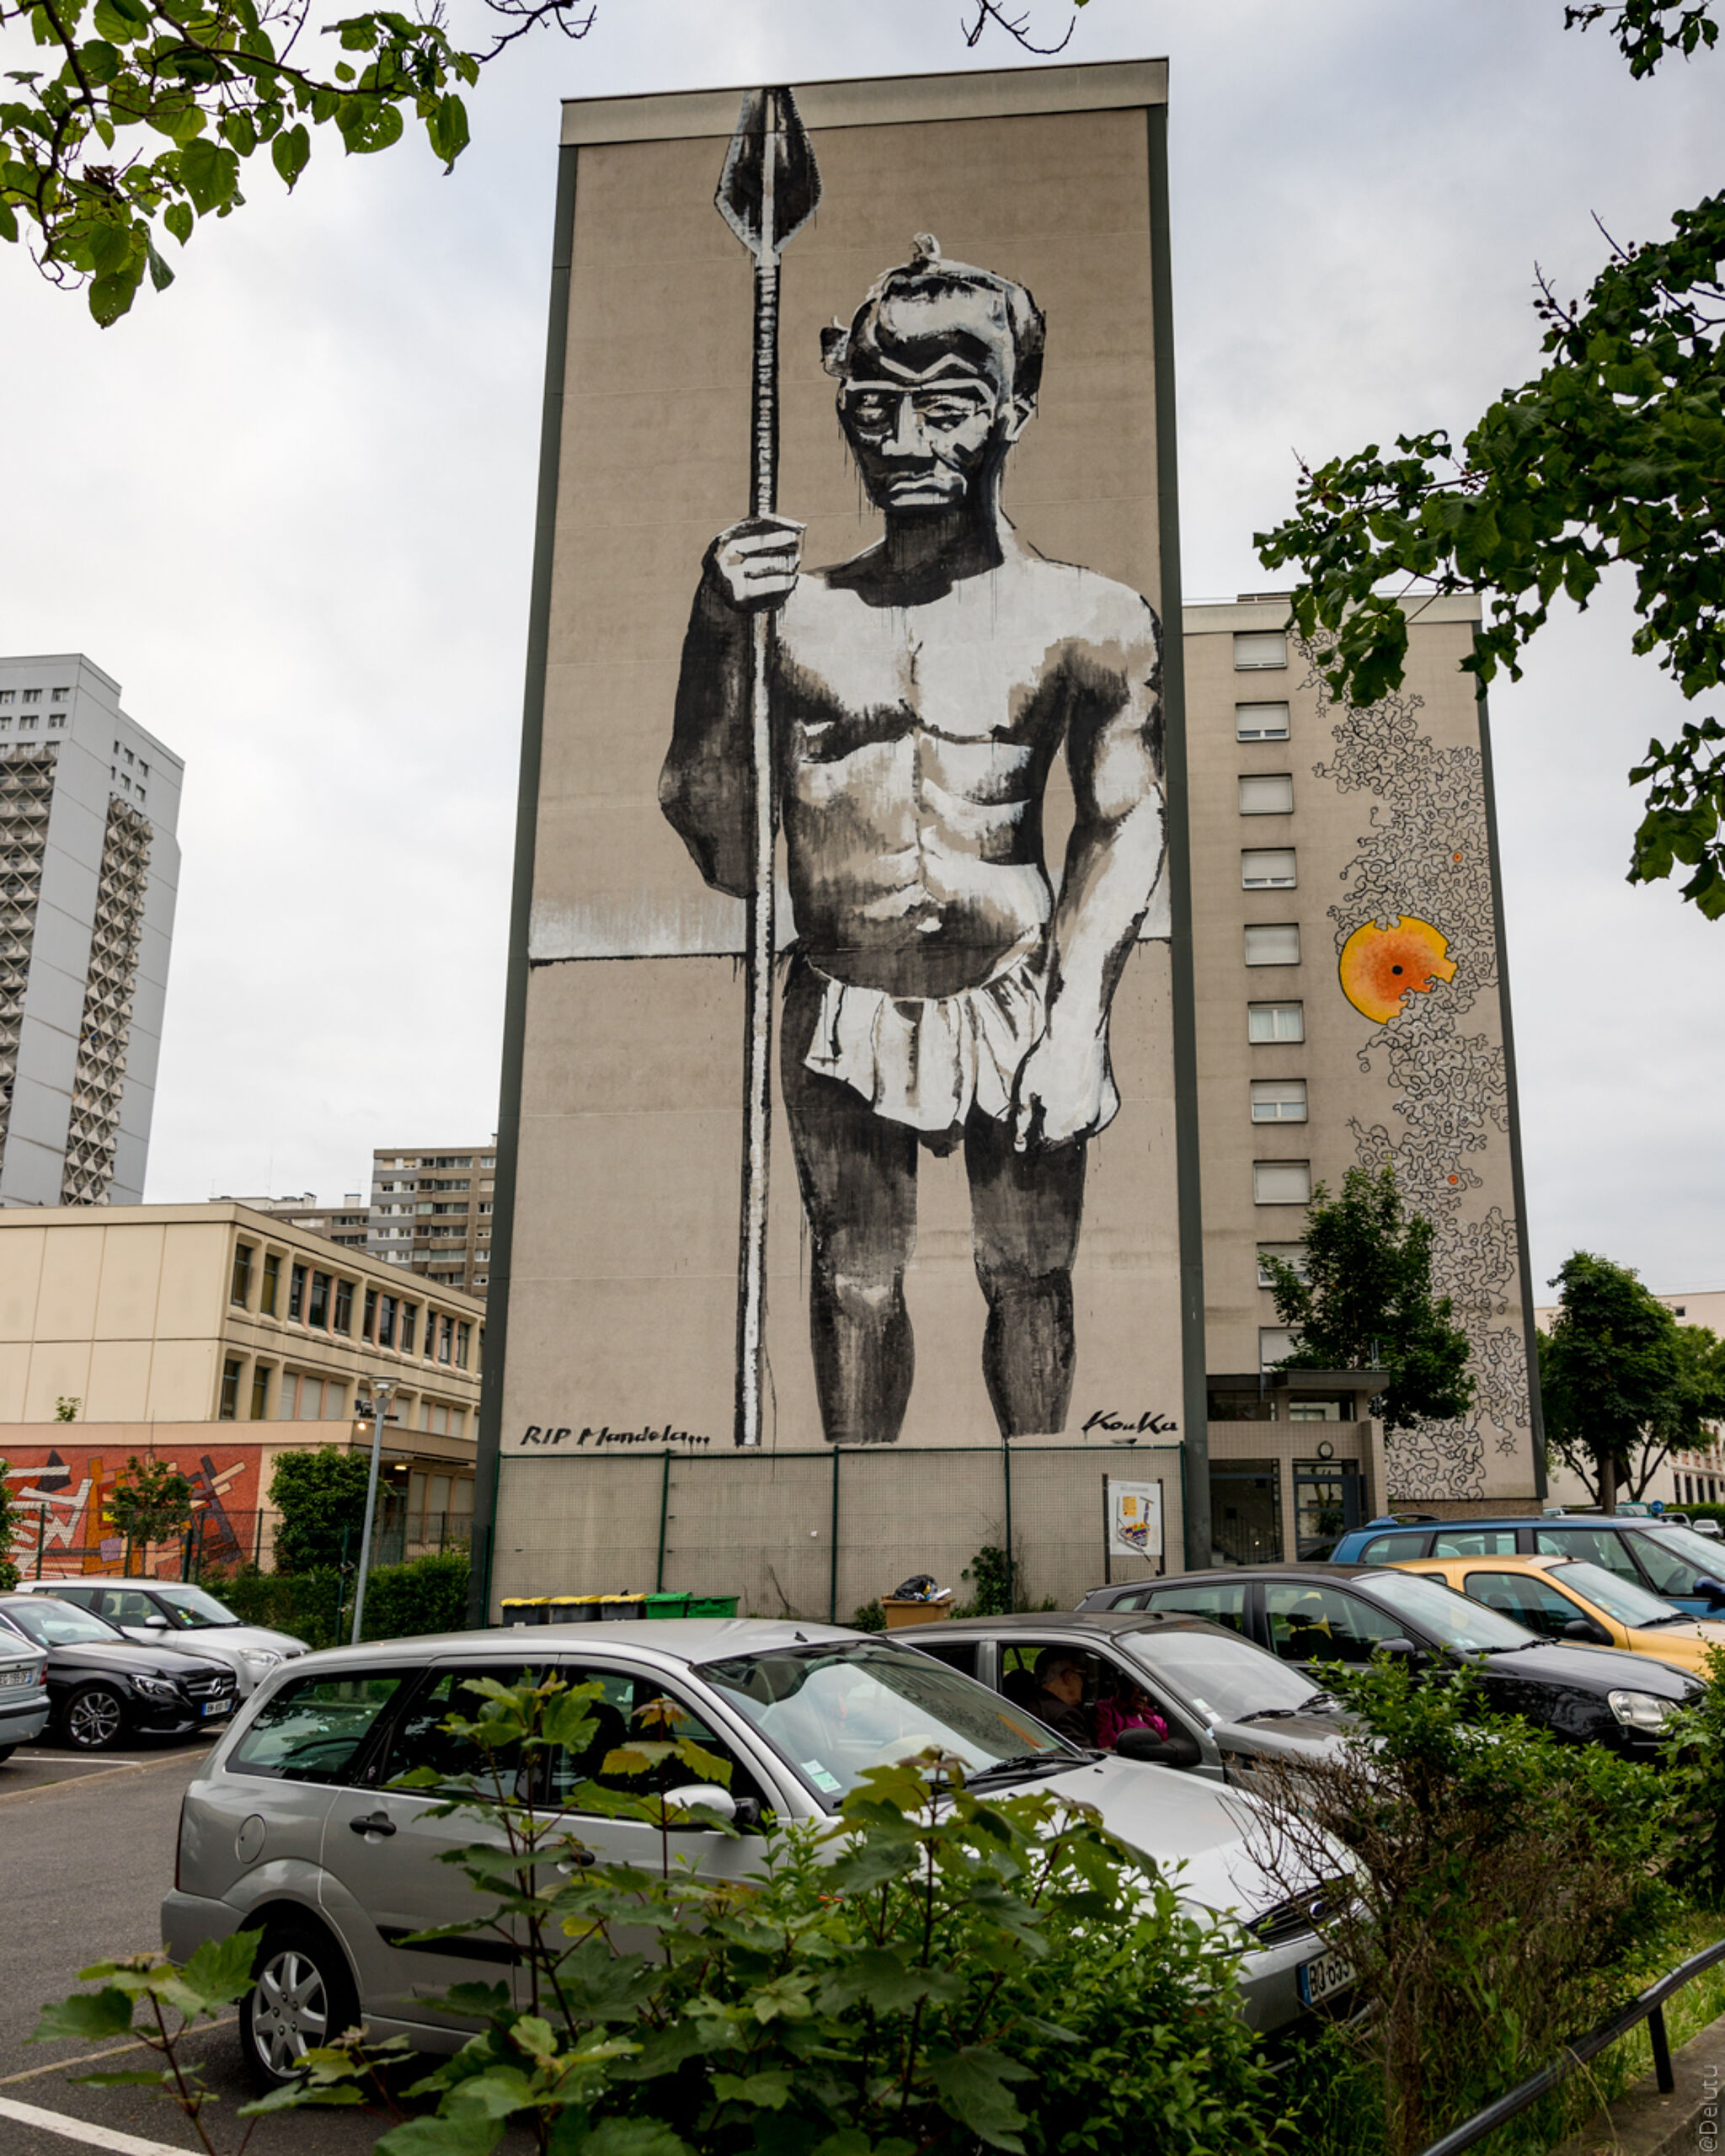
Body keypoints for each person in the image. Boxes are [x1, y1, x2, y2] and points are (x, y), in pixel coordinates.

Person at [660, 236, 1167, 1446]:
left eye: (945, 404)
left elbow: (1121, 819)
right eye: (873, 405)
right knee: (854, 1283)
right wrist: (715, 634)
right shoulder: (790, 616)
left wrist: (1077, 1028)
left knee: (1029, 1276)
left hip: (1020, 984)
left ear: (1011, 413)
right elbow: (722, 841)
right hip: (840, 988)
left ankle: (1038, 1526)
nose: (902, 438)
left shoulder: (1089, 617)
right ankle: (851, 1534)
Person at [1028, 1648, 1093, 1748]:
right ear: (1068, 1677)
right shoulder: (1064, 1716)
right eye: (1081, 1675)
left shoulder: (1034, 1703)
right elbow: (1084, 1758)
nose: (1084, 1682)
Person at [1093, 1676, 1169, 1751]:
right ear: (1124, 1685)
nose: (1144, 1693)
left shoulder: (1155, 1721)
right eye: (1138, 1684)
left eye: (1147, 1688)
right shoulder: (1106, 1711)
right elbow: (1106, 1752)